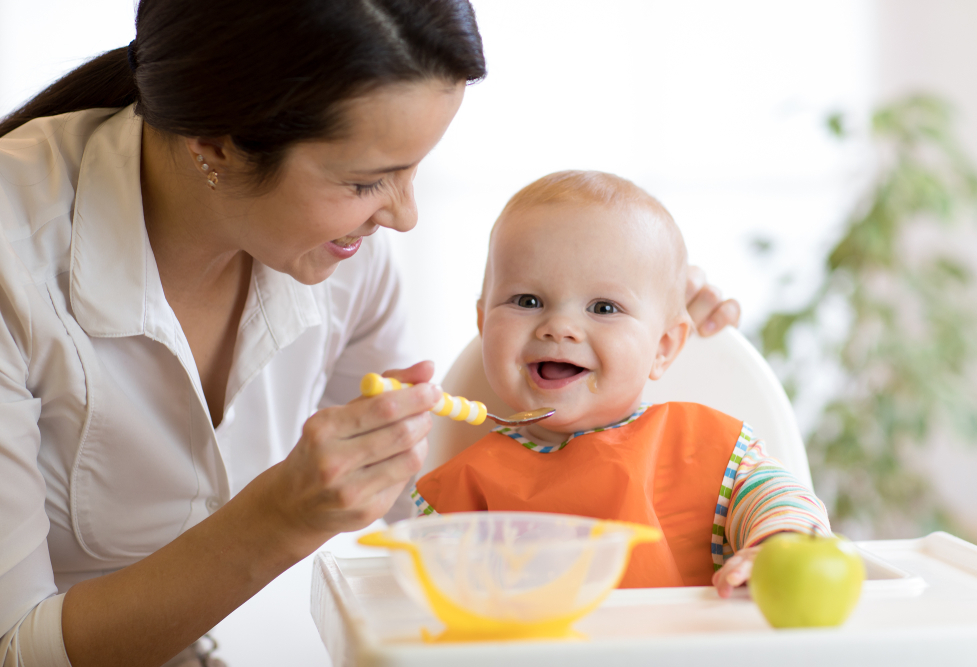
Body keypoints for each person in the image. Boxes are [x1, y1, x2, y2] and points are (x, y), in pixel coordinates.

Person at [0, 3, 740, 666]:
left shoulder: (343, 259)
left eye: (414, 170)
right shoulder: (14, 253)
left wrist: (623, 292)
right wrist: (279, 517)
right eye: (365, 182)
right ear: (216, 144)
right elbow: (15, 646)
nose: (403, 216)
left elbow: (417, 505)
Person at [413, 171, 830, 592]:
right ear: (484, 324)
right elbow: (426, 596)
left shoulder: (698, 446)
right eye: (528, 301)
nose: (559, 327)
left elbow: (783, 500)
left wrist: (777, 544)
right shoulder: (469, 482)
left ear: (664, 346)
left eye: (604, 307)